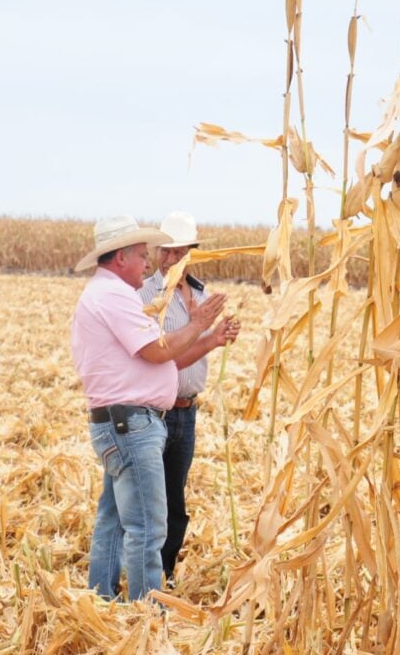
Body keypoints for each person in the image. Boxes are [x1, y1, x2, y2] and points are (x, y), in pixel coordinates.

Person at [70, 214, 228, 602]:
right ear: (121, 257)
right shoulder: (115, 296)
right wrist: (198, 324)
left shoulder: (106, 292)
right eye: (143, 254)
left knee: (114, 519)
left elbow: (156, 356)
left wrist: (205, 335)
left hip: (123, 423)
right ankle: (147, 615)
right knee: (147, 527)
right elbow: (158, 351)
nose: (148, 261)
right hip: (131, 426)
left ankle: (101, 600)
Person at [139, 211, 240, 586]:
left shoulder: (199, 293)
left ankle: (163, 575)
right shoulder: (145, 295)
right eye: (163, 251)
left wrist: (220, 334)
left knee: (175, 503)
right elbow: (165, 356)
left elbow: (195, 346)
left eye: (176, 252)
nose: (168, 259)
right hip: (155, 412)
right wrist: (207, 336)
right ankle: (147, 579)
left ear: (189, 254)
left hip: (187, 411)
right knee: (154, 503)